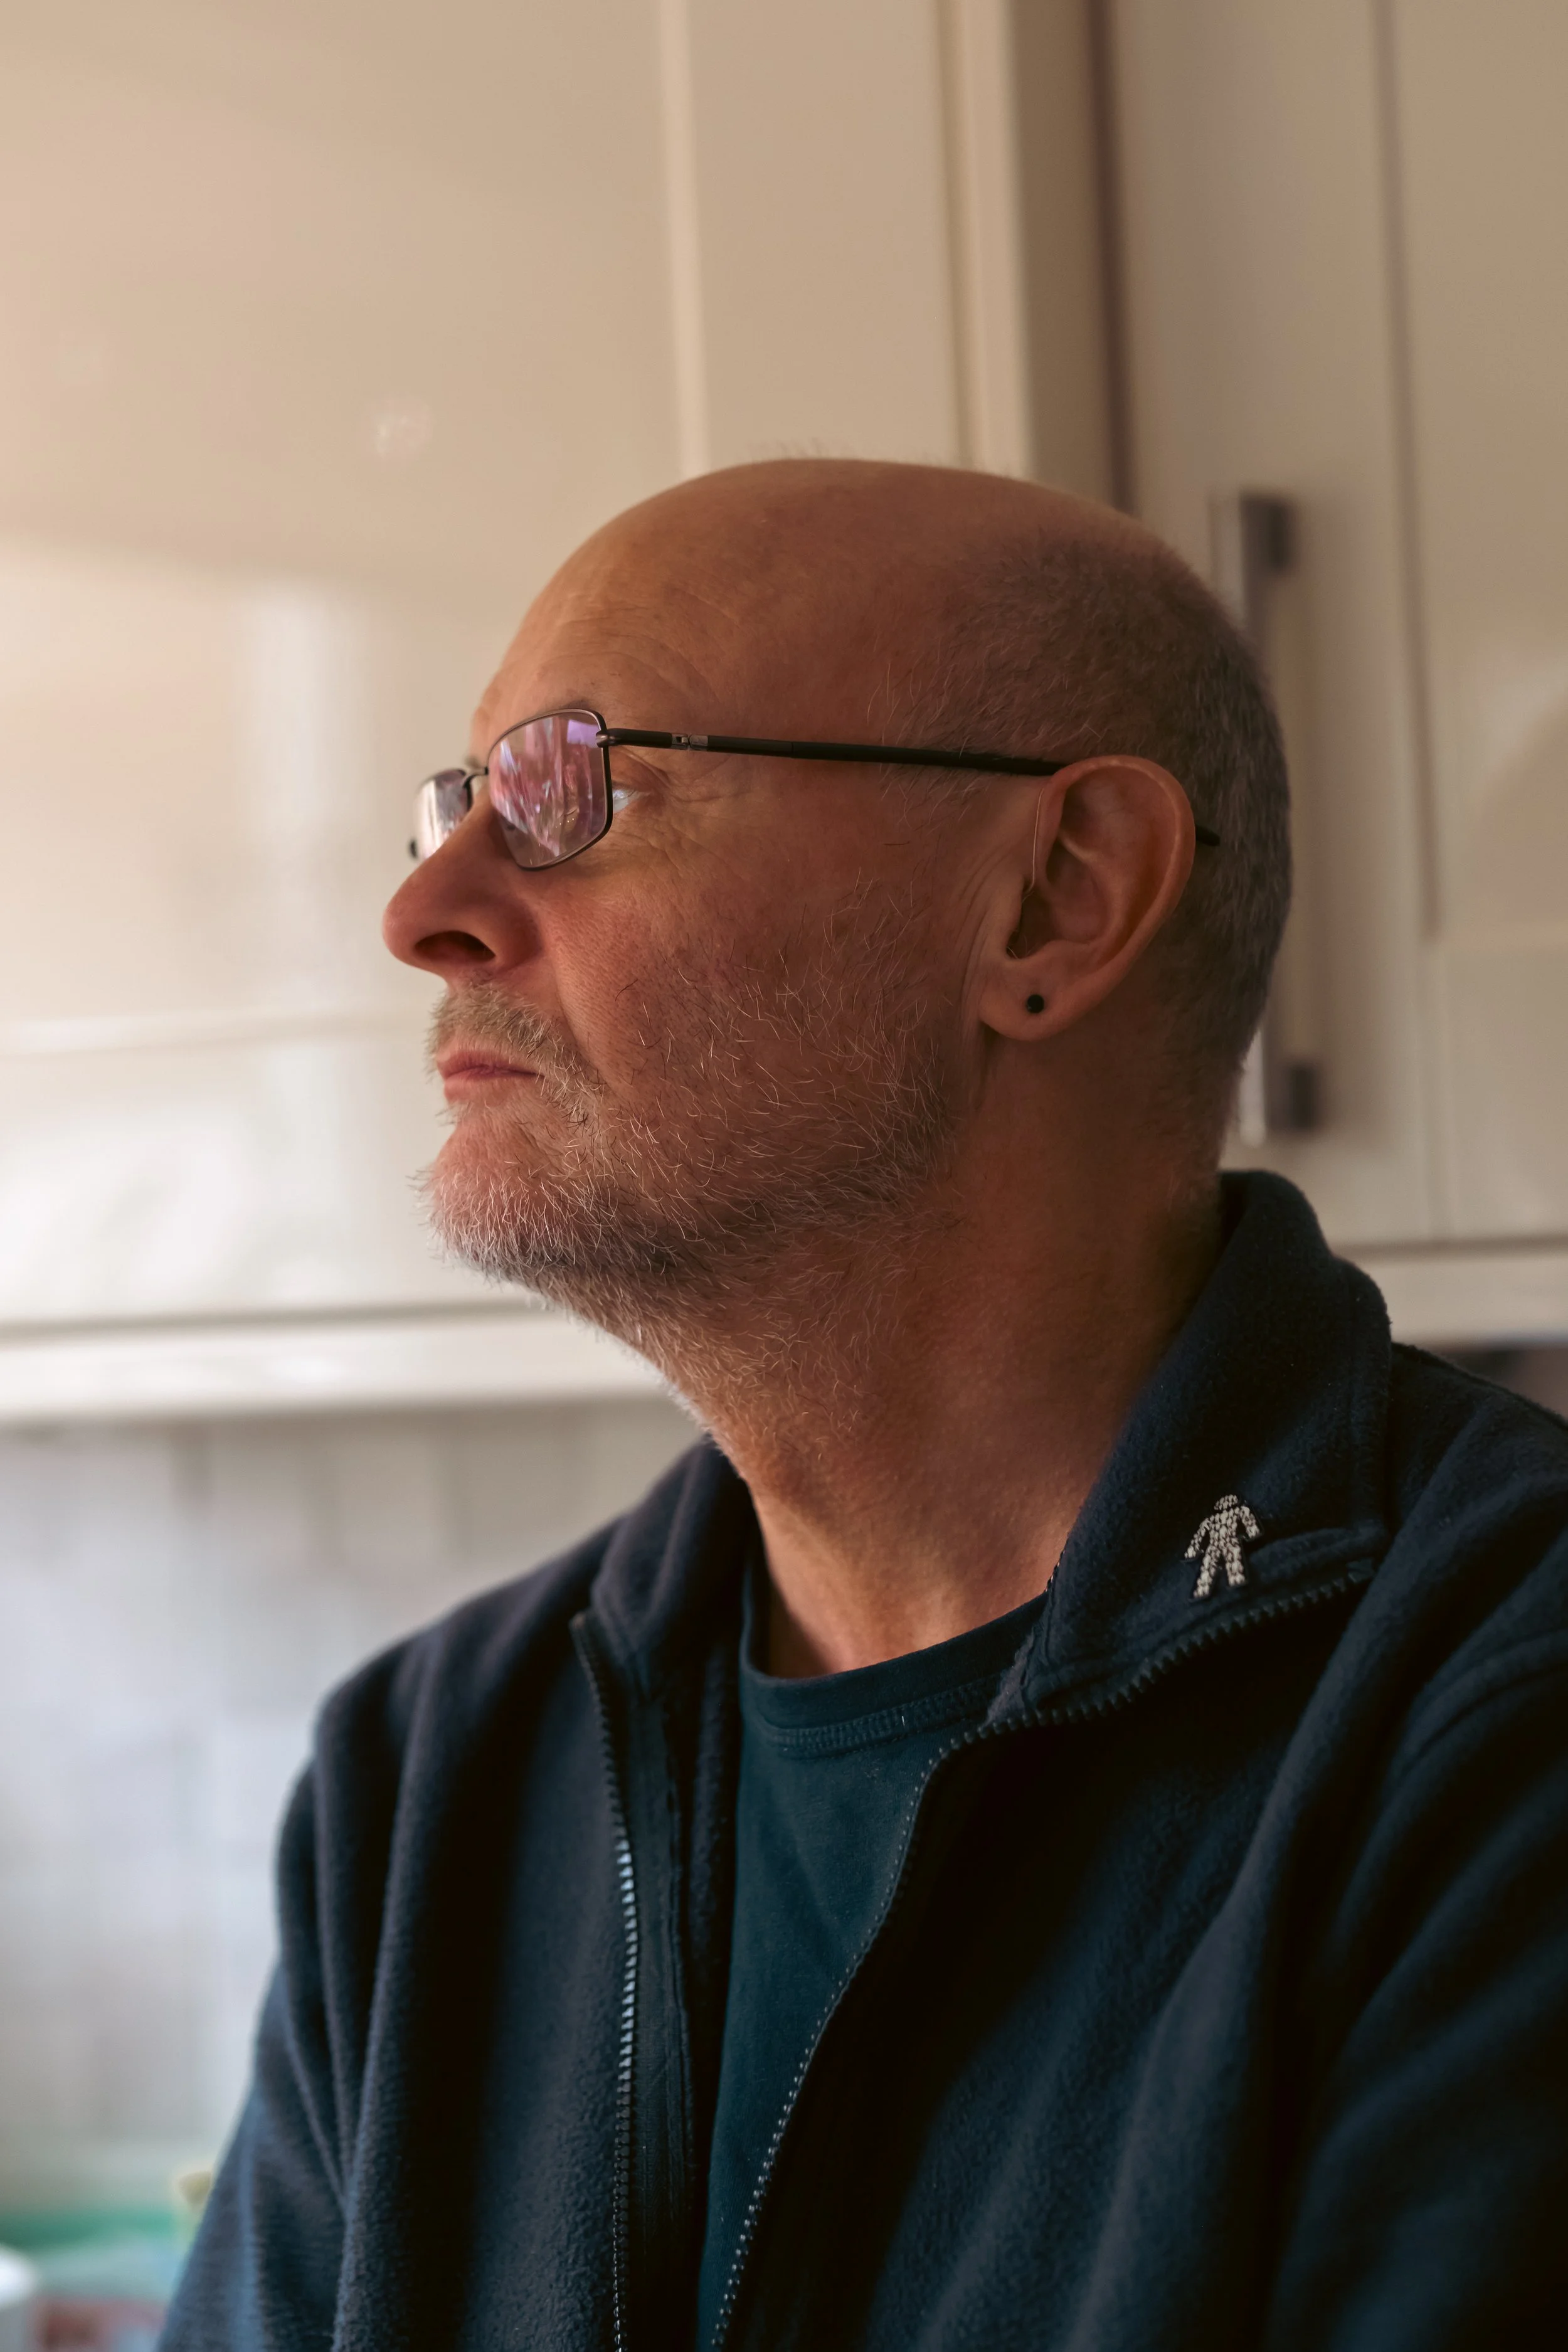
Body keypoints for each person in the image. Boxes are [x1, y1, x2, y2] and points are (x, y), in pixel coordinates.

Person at [164, 461, 1568, 2349]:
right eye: (458, 803)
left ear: (1054, 902)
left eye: (579, 784)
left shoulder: (1494, 1714)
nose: (428, 909)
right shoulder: (433, 1777)